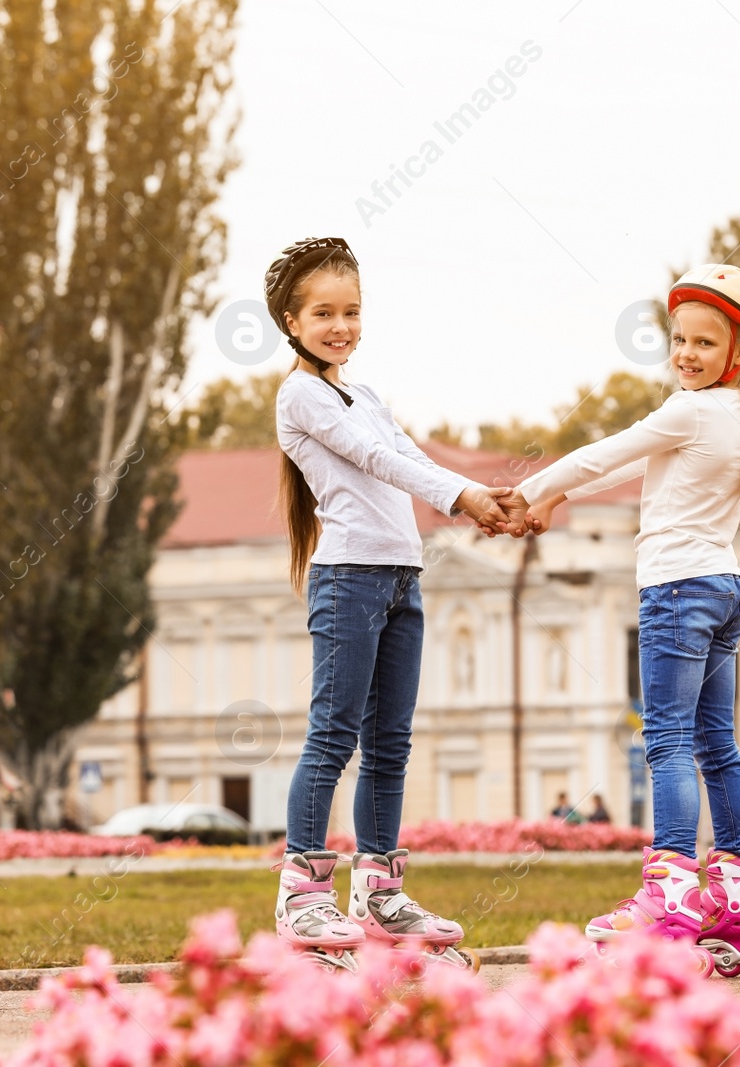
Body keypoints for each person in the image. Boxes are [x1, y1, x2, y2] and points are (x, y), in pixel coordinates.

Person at [501, 265, 740, 978]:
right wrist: (554, 504)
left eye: (705, 342)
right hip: (724, 585)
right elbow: (630, 467)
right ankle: (738, 901)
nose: (687, 353)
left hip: (674, 588)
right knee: (718, 745)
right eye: (679, 339)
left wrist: (528, 491)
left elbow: (608, 451)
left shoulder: (693, 409)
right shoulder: (726, 413)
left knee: (666, 741)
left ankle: (668, 896)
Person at [268, 237, 509, 972]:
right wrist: (458, 496)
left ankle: (378, 890)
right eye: (323, 313)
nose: (340, 326)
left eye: (352, 311)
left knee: (392, 744)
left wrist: (486, 501)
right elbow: (377, 461)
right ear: (290, 319)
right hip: (349, 580)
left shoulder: (364, 396)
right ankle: (302, 889)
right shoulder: (299, 394)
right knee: (333, 736)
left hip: (402, 578)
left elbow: (411, 454)